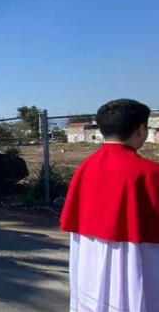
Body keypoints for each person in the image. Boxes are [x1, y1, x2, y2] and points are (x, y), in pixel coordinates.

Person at [60, 99, 158, 311]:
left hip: (89, 257)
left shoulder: (85, 167)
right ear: (141, 129)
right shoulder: (149, 172)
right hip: (137, 259)